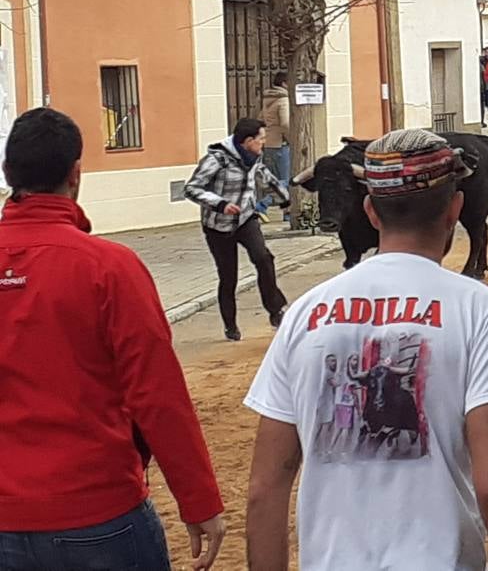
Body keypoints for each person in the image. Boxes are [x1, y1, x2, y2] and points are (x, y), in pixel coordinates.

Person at [244, 130, 488, 571]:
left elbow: (265, 488)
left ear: (371, 211)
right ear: (455, 208)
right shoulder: (479, 309)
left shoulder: (306, 311)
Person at [0, 108, 226, 571]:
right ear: (75, 174)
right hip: (97, 509)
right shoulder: (109, 267)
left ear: (9, 175)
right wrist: (198, 499)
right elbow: (157, 394)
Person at [185, 117, 289, 341]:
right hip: (217, 226)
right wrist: (220, 204)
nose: (264, 142)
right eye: (261, 139)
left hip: (245, 219)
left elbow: (264, 178)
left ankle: (276, 309)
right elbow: (191, 188)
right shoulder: (217, 160)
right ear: (248, 141)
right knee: (228, 276)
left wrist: (284, 198)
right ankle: (230, 325)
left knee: (263, 258)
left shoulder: (254, 158)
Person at [258, 71, 291, 222]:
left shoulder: (268, 99)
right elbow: (285, 123)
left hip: (269, 144)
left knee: (274, 180)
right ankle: (261, 206)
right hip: (281, 143)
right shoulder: (283, 100)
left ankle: (287, 212)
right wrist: (291, 137)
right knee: (286, 180)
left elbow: (260, 118)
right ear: (284, 84)